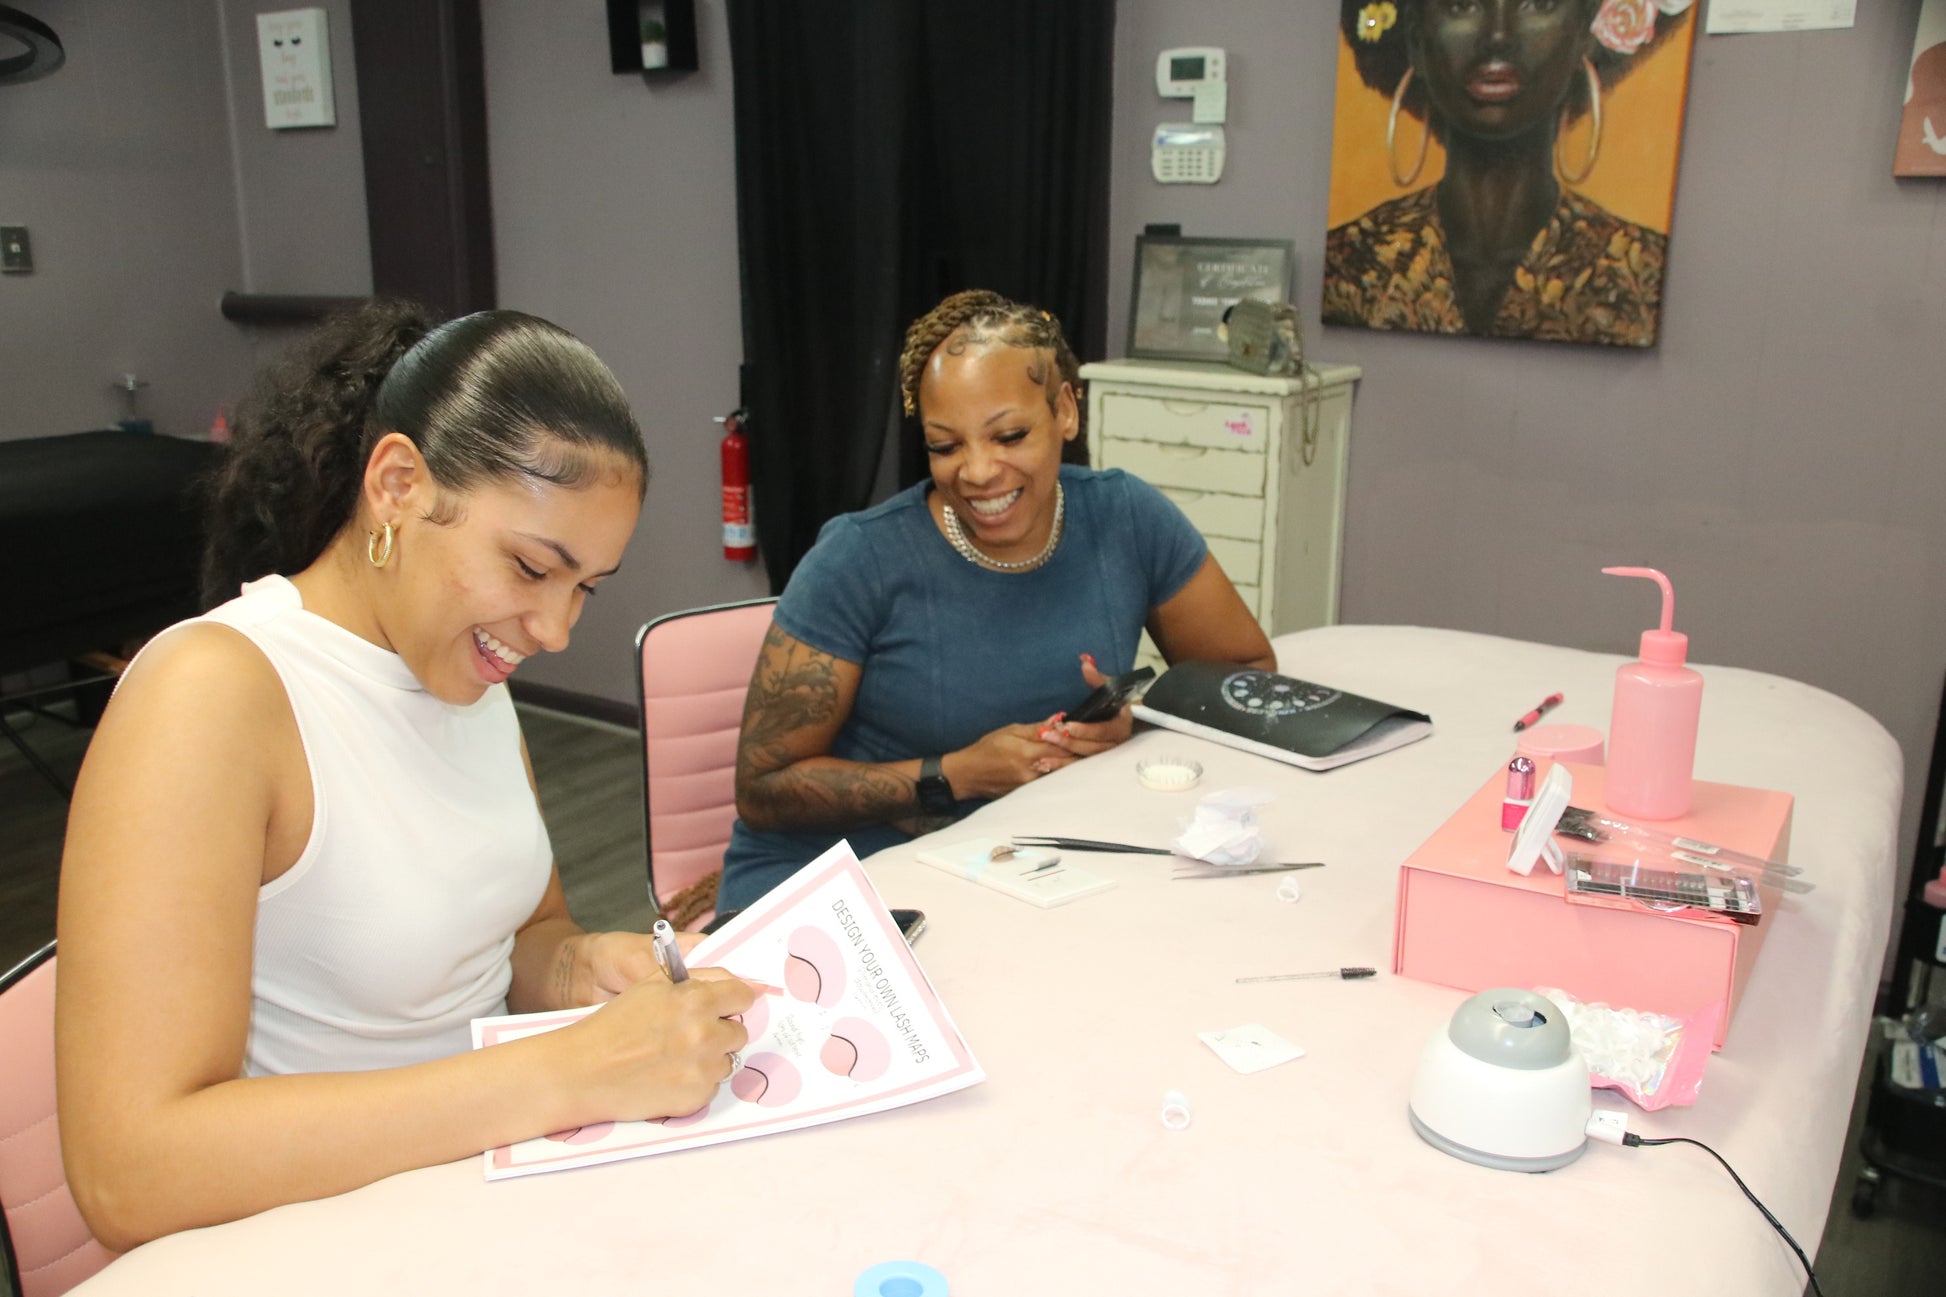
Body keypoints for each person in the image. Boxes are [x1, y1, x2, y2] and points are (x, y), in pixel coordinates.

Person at [55, 301, 756, 1251]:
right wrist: (564, 1074)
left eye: (584, 587)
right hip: (299, 1240)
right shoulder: (214, 691)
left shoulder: (461, 664)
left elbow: (520, 936)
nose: (555, 630)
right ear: (397, 485)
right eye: (530, 567)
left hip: (473, 1198)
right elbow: (130, 1171)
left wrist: (584, 965)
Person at [716, 289, 1277, 912]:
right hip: (837, 881)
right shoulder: (858, 559)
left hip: (1014, 870)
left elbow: (1247, 672)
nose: (978, 471)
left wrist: (1135, 722)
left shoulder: (1126, 518)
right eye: (945, 445)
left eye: (1009, 435)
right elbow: (763, 789)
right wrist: (956, 774)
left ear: (1065, 410)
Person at [1323, 0, 1694, 347]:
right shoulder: (1350, 260)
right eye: (1462, 4)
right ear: (1416, 41)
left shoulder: (1638, 269)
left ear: (1585, 33)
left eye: (1538, 3)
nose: (1498, 37)